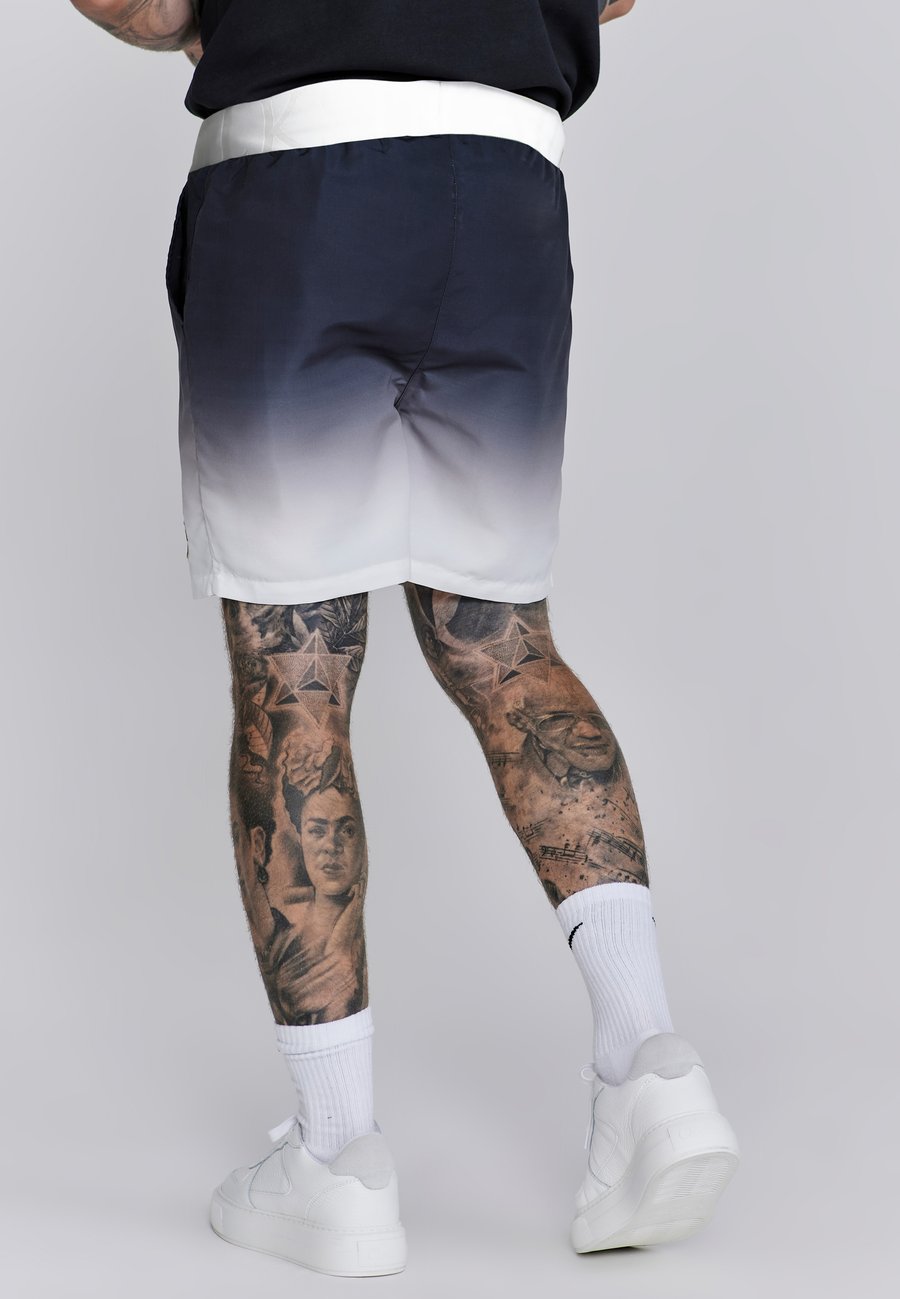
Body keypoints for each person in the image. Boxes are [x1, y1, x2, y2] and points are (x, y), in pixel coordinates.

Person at [70, 0, 741, 1277]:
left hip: (301, 179)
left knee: (295, 672)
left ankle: (338, 1162)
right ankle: (653, 1070)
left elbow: (150, 1)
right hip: (500, 184)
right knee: (503, 642)